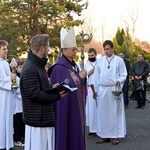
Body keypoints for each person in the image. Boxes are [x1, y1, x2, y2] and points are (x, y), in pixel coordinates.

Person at [20, 34, 67, 150]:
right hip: (38, 120)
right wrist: (57, 95)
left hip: (42, 118)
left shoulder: (37, 64)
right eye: (48, 46)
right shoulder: (31, 67)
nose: (49, 49)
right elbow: (34, 94)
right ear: (42, 48)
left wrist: (51, 88)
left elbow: (38, 88)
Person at [48, 27, 87, 150]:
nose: (75, 51)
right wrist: (80, 78)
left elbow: (74, 82)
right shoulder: (59, 67)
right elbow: (62, 88)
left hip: (75, 107)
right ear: (64, 50)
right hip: (66, 110)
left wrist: (82, 78)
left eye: (75, 49)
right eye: (73, 49)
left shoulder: (72, 65)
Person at [95, 40, 127, 145]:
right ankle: (104, 135)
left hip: (114, 89)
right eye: (104, 49)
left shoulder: (119, 60)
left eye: (108, 49)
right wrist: (95, 90)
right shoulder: (99, 61)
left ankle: (114, 136)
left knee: (114, 113)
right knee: (103, 113)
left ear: (112, 48)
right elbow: (96, 77)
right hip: (103, 90)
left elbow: (123, 74)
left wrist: (119, 80)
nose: (106, 51)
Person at [0, 40, 16, 150]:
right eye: (4, 49)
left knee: (8, 120)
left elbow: (12, 79)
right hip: (1, 97)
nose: (6, 51)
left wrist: (15, 80)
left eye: (6, 48)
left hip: (8, 96)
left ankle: (8, 144)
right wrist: (9, 79)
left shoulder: (5, 63)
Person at [84, 48, 98, 137]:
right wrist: (88, 73)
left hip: (99, 88)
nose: (90, 57)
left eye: (92, 55)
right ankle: (93, 129)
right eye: (89, 56)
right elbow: (82, 77)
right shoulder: (86, 64)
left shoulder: (100, 63)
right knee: (92, 110)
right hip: (90, 89)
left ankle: (101, 128)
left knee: (100, 109)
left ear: (95, 55)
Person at [13, 61, 25, 147]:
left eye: (23, 67)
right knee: (17, 123)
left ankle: (22, 138)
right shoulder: (15, 78)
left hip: (23, 105)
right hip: (17, 104)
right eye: (20, 67)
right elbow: (16, 91)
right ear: (16, 68)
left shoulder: (24, 77)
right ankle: (17, 139)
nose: (22, 69)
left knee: (22, 122)